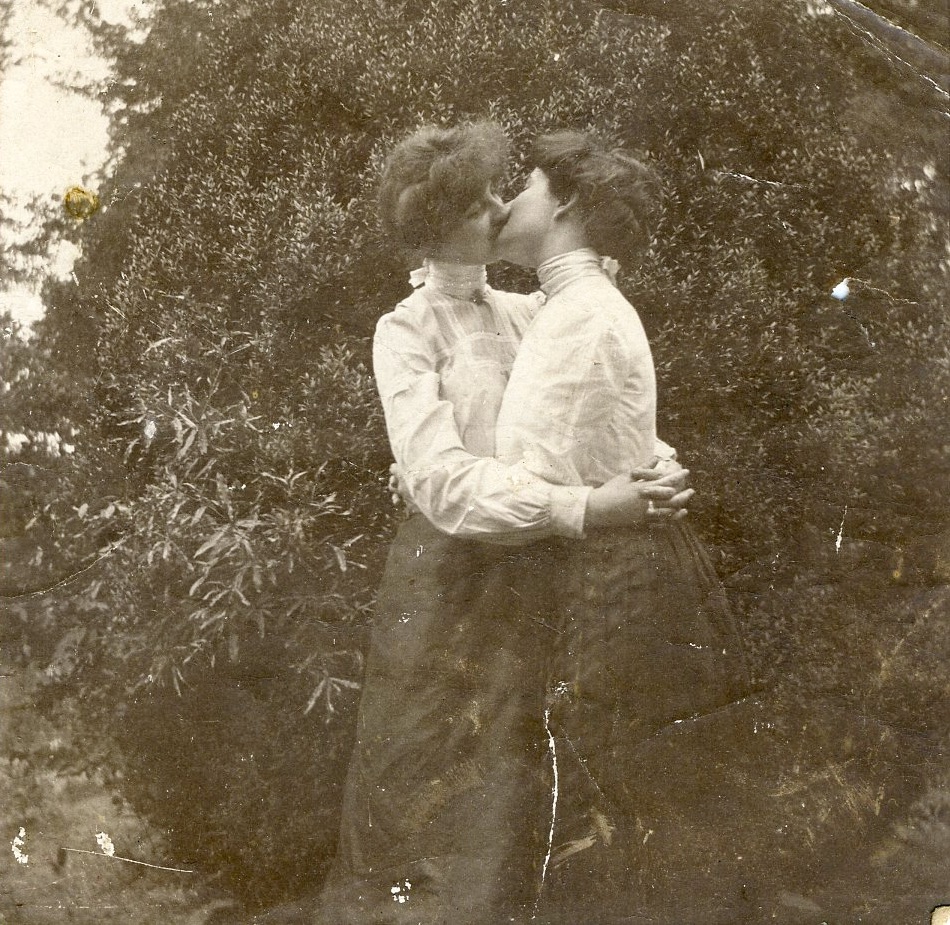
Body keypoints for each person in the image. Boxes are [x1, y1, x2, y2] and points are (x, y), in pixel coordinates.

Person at [313, 122, 694, 925]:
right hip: (446, 585)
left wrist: (658, 461)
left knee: (512, 802)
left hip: (533, 579)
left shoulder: (532, 311)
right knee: (426, 798)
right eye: (475, 199)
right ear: (434, 225)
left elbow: (583, 410)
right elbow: (443, 483)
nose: (498, 203)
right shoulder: (406, 332)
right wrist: (584, 508)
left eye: (499, 189)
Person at [490, 131, 754, 922]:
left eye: (525, 185)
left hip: (608, 587)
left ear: (565, 201)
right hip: (608, 566)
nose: (507, 202)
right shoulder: (571, 306)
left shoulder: (585, 316)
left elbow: (528, 473)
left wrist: (436, 476)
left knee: (610, 826)